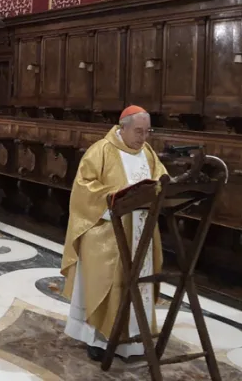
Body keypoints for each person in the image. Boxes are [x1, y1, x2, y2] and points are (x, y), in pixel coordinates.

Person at [60, 105, 167, 361]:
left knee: (136, 284)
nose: (143, 137)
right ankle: (97, 339)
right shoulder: (102, 150)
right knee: (106, 285)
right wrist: (114, 199)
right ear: (123, 128)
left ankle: (133, 340)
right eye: (139, 131)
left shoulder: (148, 153)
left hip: (141, 230)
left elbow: (162, 177)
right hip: (106, 234)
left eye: (147, 131)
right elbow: (84, 187)